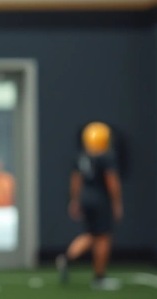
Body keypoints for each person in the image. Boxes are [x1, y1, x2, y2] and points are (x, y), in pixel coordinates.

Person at [56, 122, 124, 290]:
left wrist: (75, 200)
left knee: (90, 234)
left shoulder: (82, 156)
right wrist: (117, 203)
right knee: (103, 237)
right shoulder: (106, 156)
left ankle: (66, 258)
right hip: (101, 199)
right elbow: (112, 182)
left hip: (86, 197)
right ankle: (99, 277)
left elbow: (75, 180)